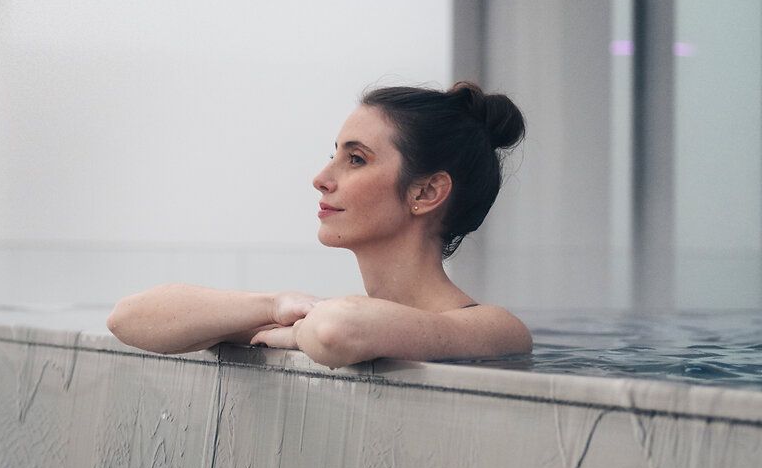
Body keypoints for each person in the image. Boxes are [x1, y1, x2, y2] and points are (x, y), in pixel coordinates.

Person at [107, 81, 531, 368]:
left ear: (425, 193)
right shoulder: (334, 320)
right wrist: (272, 307)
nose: (321, 179)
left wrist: (294, 333)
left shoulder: (496, 330)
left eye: (356, 159)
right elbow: (128, 318)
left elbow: (336, 330)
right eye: (334, 155)